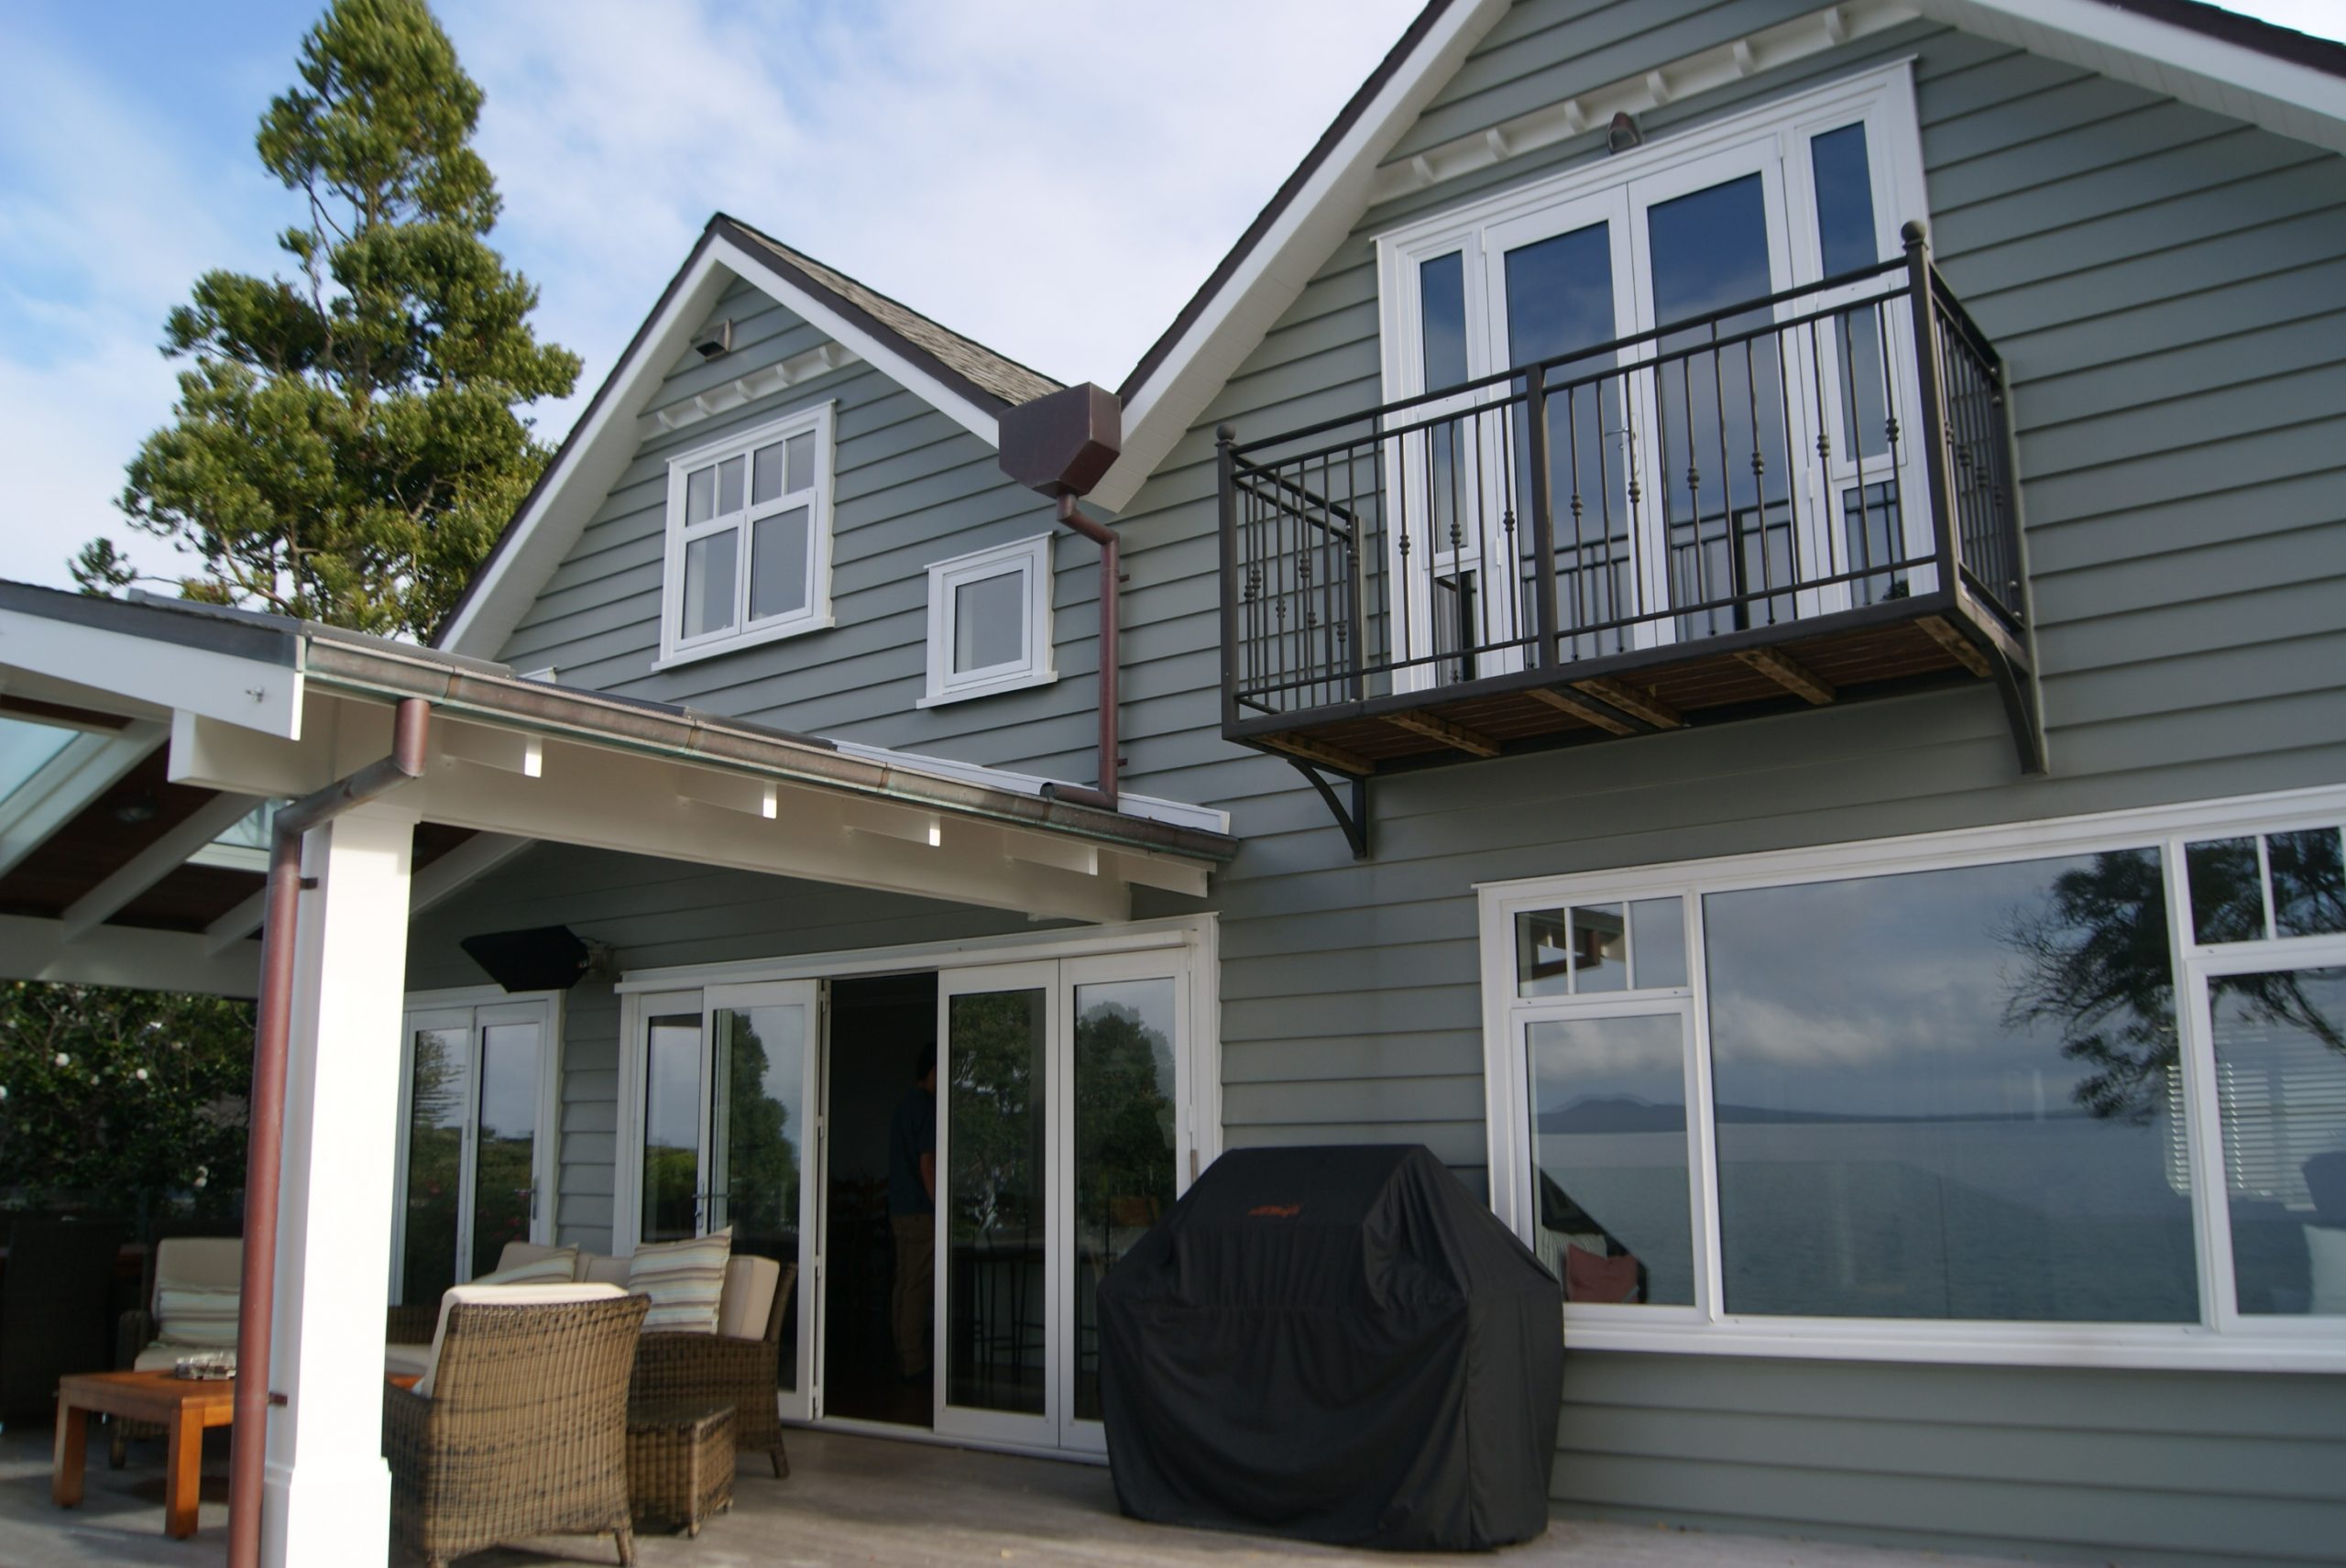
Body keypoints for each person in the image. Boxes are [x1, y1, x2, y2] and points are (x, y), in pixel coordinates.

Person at [886, 1044, 937, 1382]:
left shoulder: (904, 1105)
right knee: (917, 1287)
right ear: (933, 1071)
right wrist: (940, 1207)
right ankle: (914, 1362)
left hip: (899, 1210)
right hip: (920, 1211)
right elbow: (927, 1164)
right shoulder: (927, 1108)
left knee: (904, 1283)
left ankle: (902, 1354)